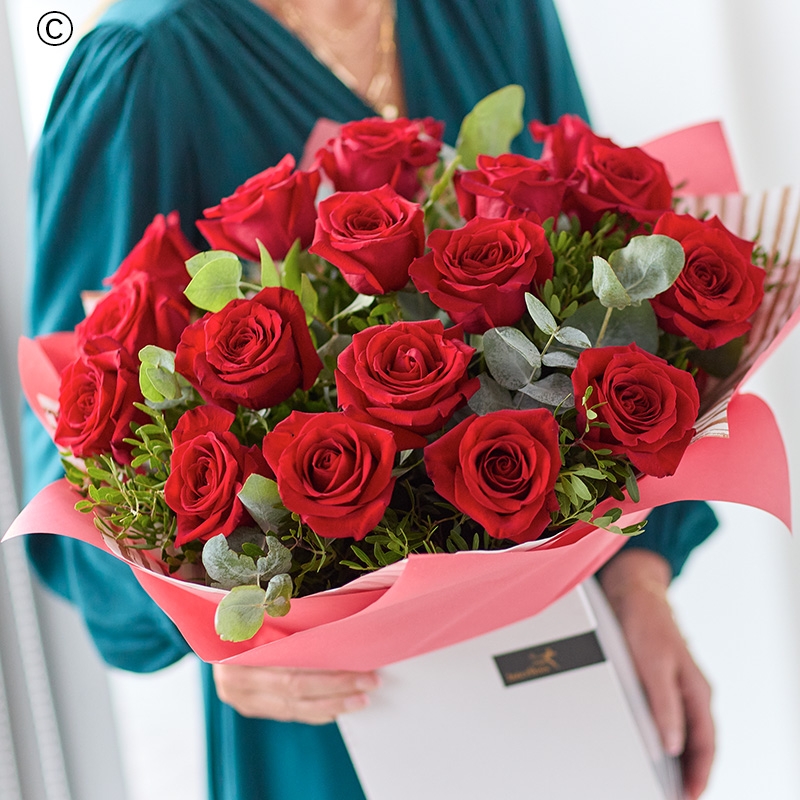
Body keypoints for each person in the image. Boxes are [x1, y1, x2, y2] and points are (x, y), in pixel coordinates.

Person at [23, 0, 717, 798]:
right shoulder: (144, 65)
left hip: (557, 652)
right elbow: (70, 436)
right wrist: (221, 626)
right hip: (328, 704)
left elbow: (611, 291)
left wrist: (640, 578)